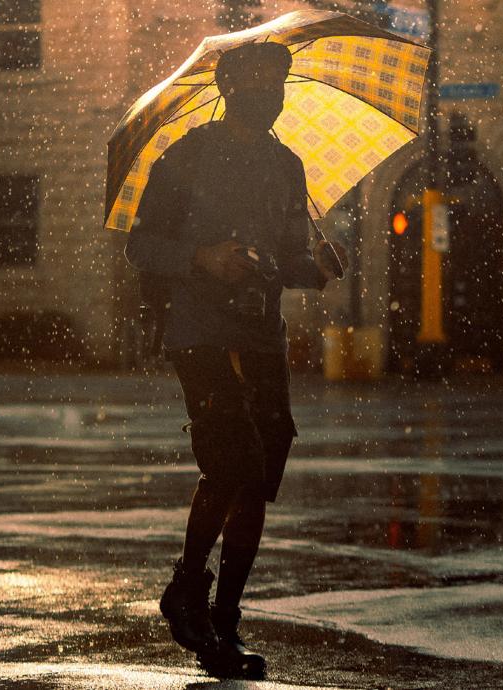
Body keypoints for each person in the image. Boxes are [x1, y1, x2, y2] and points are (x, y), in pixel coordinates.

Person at [124, 41, 348, 679]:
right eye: (254, 81)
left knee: (260, 475)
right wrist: (202, 257)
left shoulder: (288, 166)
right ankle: (189, 585)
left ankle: (224, 619)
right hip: (198, 330)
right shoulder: (188, 157)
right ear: (228, 87)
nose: (268, 92)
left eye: (277, 81)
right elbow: (141, 245)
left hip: (262, 335)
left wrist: (318, 268)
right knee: (233, 460)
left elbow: (288, 257)